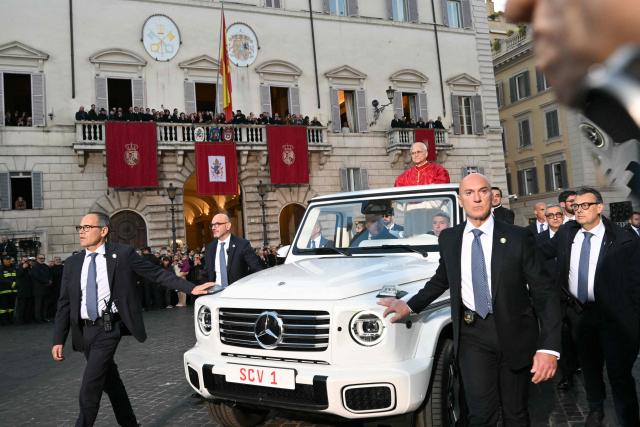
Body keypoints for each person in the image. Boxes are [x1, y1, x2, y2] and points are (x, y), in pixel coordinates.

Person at [378, 173, 561, 426]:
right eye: (469, 193)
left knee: (515, 413)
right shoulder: (450, 238)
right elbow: (441, 280)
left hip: (515, 334)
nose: (477, 198)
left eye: (483, 191)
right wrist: (410, 305)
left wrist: (549, 348)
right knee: (479, 414)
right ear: (460, 200)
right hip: (472, 334)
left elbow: (544, 292)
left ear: (491, 196)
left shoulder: (518, 237)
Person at [51, 212, 213, 427]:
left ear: (103, 231)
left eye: (87, 227)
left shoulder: (123, 254)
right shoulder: (72, 263)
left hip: (108, 328)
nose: (82, 232)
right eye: (80, 228)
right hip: (84, 330)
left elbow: (156, 274)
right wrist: (58, 339)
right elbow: (64, 303)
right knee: (111, 382)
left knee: (90, 386)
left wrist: (191, 288)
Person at [539, 187, 640, 426]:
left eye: (585, 206)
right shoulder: (567, 232)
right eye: (576, 207)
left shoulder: (623, 238)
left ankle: (628, 418)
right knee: (589, 366)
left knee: (619, 373)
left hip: (613, 316)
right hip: (579, 314)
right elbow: (540, 252)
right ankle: (596, 409)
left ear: (599, 207)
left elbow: (636, 281)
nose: (579, 211)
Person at [536, 204, 578, 391]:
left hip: (572, 297)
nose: (554, 218)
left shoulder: (573, 236)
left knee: (575, 336)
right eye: (550, 215)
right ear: (545, 218)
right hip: (549, 298)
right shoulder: (537, 240)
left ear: (563, 216)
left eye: (558, 215)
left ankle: (578, 364)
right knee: (560, 337)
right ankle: (566, 374)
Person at [205, 213, 264, 288]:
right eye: (212, 225)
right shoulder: (210, 248)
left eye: (217, 224)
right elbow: (207, 273)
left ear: (228, 226)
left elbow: (257, 270)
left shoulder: (242, 245)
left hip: (237, 293)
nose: (213, 228)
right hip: (216, 294)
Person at [31, 254, 51, 322]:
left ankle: (44, 317)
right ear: (37, 258)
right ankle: (38, 318)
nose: (42, 259)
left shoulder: (45, 266)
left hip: (46, 288)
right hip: (38, 289)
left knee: (45, 305)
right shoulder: (34, 267)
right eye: (40, 258)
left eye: (43, 258)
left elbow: (50, 274)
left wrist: (50, 280)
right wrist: (47, 281)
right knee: (38, 305)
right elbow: (37, 276)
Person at [0, 255, 17, 325]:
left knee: (11, 307)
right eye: (6, 259)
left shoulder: (13, 268)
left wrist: (15, 282)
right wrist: (11, 283)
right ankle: (3, 321)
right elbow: (1, 279)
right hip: (4, 291)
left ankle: (10, 319)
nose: (8, 261)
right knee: (3, 307)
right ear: (3, 260)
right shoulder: (1, 268)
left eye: (9, 259)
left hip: (13, 291)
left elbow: (17, 276)